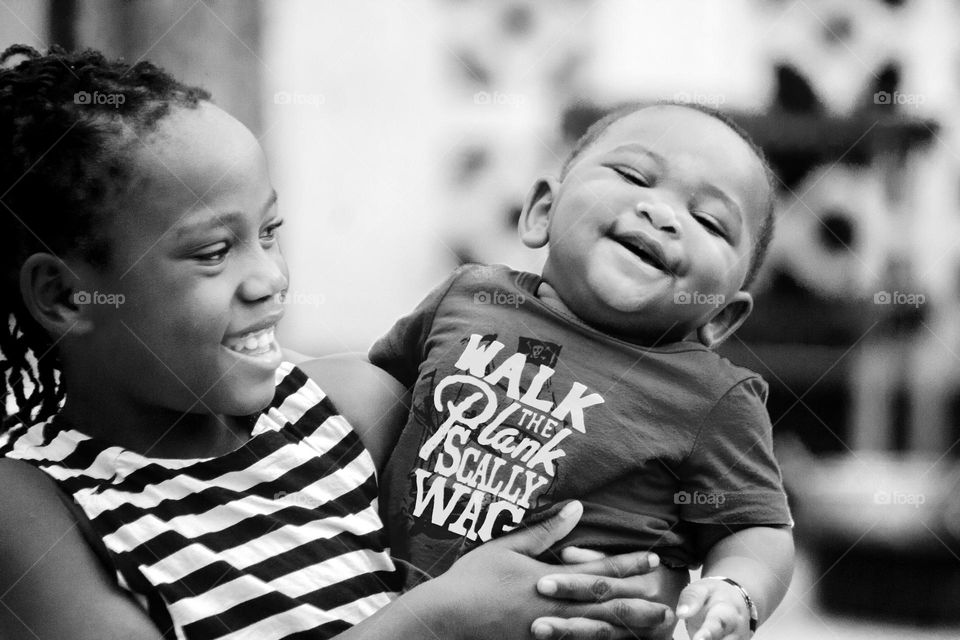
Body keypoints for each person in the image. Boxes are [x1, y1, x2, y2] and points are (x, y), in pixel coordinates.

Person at [0, 45, 680, 640]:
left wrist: (622, 583)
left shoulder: (338, 413)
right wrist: (434, 623)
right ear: (66, 297)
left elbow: (577, 503)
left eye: (269, 232)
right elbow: (455, 610)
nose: (268, 278)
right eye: (213, 252)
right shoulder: (34, 507)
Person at [369, 102, 796, 640]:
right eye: (633, 176)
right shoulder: (467, 297)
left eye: (709, 221)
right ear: (543, 211)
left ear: (723, 315)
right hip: (387, 606)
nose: (662, 215)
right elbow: (374, 404)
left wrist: (736, 589)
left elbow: (757, 529)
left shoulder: (712, 396)